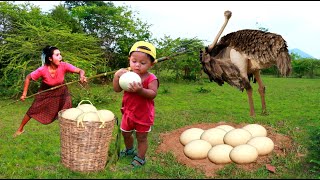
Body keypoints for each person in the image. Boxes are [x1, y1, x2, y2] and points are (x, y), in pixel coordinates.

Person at [13, 45, 87, 138]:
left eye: (60, 54)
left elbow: (81, 70)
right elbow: (28, 77)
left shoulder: (64, 65)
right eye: (57, 55)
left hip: (61, 91)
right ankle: (20, 129)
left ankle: (72, 131)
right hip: (46, 91)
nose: (60, 57)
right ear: (50, 58)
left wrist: (81, 76)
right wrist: (24, 94)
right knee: (33, 109)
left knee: (67, 109)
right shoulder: (42, 70)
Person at [113, 41, 159, 168]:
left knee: (141, 137)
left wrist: (140, 90)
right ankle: (129, 150)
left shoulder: (151, 78)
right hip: (128, 112)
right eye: (134, 61)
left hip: (143, 114)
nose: (137, 65)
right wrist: (116, 77)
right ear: (129, 60)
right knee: (126, 133)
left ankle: (140, 158)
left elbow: (153, 93)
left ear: (151, 64)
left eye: (143, 63)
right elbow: (117, 89)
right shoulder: (126, 75)